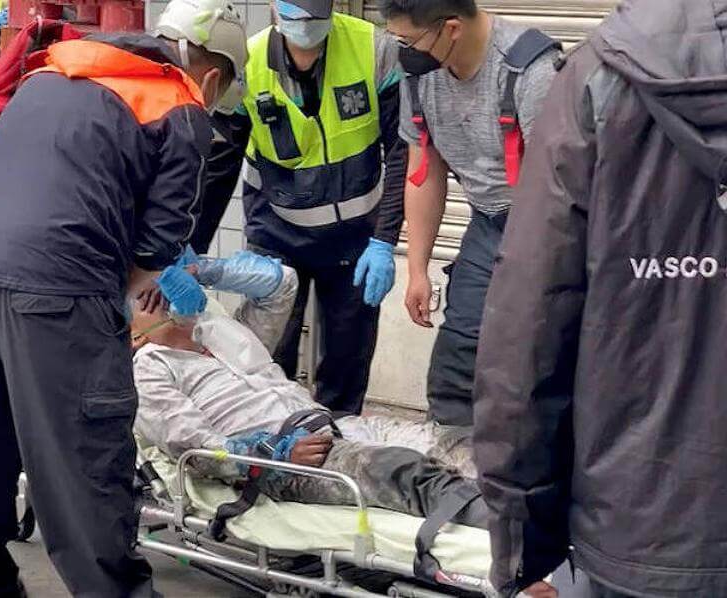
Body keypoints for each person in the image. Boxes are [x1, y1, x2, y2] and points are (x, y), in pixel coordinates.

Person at [0, 0, 247, 593]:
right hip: (58, 283)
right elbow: (159, 242)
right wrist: (124, 299)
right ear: (211, 76)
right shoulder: (179, 102)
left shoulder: (56, 71)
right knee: (84, 454)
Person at [473, 0, 727, 597]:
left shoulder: (599, 78)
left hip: (642, 525)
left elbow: (531, 322)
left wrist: (523, 537)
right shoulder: (597, 77)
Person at [195, 0, 407, 416]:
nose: (306, 27)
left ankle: (338, 443)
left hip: (354, 241)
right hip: (276, 233)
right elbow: (220, 165)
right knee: (268, 360)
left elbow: (402, 151)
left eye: (314, 16)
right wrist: (189, 247)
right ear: (273, 7)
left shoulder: (374, 49)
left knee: (347, 364)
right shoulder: (247, 61)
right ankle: (274, 442)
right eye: (296, 15)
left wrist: (385, 240)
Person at [133, 251, 480, 491]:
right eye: (146, 299)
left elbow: (281, 282)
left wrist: (200, 271)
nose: (159, 294)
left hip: (338, 428)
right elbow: (196, 447)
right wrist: (273, 454)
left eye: (160, 286)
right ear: (131, 335)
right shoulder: (148, 370)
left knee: (465, 446)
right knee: (410, 474)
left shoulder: (220, 331)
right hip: (291, 459)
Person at [383, 0, 558, 427]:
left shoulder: (531, 72)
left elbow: (561, 186)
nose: (403, 52)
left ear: (452, 29)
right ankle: (451, 455)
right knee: (458, 362)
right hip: (486, 223)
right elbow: (424, 172)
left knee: (538, 361)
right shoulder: (421, 75)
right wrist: (418, 270)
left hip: (549, 226)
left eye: (408, 41)